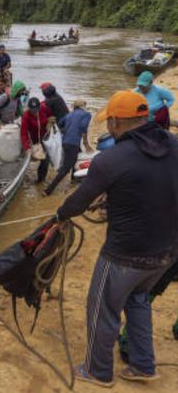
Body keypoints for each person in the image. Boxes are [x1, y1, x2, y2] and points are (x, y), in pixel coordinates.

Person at [56, 90, 178, 387]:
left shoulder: (109, 160)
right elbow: (151, 184)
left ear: (114, 122)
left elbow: (77, 203)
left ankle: (97, 371)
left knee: (102, 308)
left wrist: (59, 216)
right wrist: (113, 200)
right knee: (138, 301)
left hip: (125, 254)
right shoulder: (174, 144)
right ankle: (143, 366)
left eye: (108, 122)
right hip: (167, 253)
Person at [43, 99, 93, 196]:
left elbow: (60, 124)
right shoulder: (86, 114)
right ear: (83, 106)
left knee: (77, 157)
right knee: (65, 168)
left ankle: (75, 180)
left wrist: (68, 130)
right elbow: (83, 127)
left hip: (65, 142)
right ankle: (48, 190)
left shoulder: (69, 115)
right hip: (73, 144)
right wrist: (86, 144)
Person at [20, 97, 52, 184]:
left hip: (45, 138)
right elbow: (23, 133)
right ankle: (26, 177)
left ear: (39, 107)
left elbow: (51, 115)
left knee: (46, 160)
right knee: (29, 158)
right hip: (33, 140)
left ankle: (40, 180)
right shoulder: (26, 116)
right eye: (32, 110)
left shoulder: (44, 109)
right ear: (29, 108)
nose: (34, 112)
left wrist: (50, 121)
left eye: (36, 109)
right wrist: (27, 147)